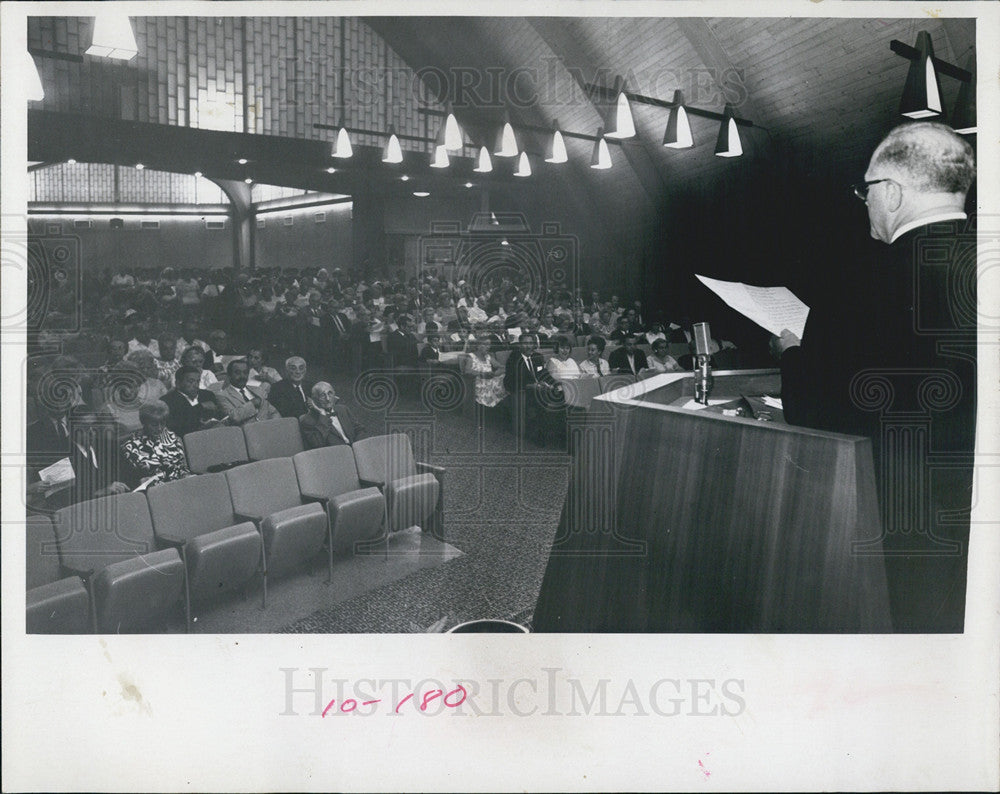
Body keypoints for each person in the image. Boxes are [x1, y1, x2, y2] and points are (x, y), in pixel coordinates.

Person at [770, 121, 976, 633]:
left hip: (898, 521)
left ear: (893, 192)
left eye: (866, 190)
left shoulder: (856, 283)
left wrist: (792, 353)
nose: (864, 202)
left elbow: (811, 411)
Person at [503, 333, 562, 443]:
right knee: (543, 399)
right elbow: (509, 382)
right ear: (520, 345)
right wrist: (530, 386)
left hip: (539, 389)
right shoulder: (513, 359)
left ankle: (555, 433)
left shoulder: (537, 357)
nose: (529, 346)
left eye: (530, 343)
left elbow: (543, 373)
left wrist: (554, 383)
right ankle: (539, 436)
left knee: (559, 394)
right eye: (525, 343)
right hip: (523, 391)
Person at [121, 401, 191, 487]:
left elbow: (182, 468)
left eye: (163, 423)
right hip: (156, 491)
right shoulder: (131, 446)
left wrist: (187, 476)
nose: (159, 428)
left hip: (182, 484)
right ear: (144, 423)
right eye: (154, 425)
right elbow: (132, 479)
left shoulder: (172, 437)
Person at [161, 365, 224, 438]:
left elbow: (219, 415)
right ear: (178, 384)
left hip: (214, 436)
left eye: (198, 381)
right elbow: (176, 425)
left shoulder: (207, 395)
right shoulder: (168, 400)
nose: (196, 385)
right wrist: (200, 407)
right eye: (191, 382)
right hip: (187, 441)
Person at [298, 382, 365, 448]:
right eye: (322, 395)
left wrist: (357, 446)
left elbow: (359, 429)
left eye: (330, 393)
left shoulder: (343, 409)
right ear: (314, 399)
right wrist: (323, 416)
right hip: (334, 456)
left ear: (334, 394)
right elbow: (317, 444)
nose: (328, 399)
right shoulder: (307, 421)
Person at [215, 359, 279, 425]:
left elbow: (274, 412)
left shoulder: (259, 390)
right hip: (246, 433)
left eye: (245, 372)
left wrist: (273, 426)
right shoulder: (222, 395)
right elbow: (233, 417)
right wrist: (252, 403)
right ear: (229, 375)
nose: (242, 376)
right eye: (237, 373)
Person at [462, 335, 507, 409]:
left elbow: (501, 367)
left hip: (491, 381)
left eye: (489, 345)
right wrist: (482, 374)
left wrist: (495, 374)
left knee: (505, 376)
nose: (488, 347)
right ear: (478, 346)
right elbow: (467, 371)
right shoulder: (470, 356)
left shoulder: (488, 356)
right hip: (478, 384)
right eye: (485, 344)